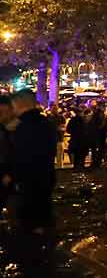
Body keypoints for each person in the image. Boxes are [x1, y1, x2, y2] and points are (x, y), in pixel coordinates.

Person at [5, 90, 57, 245]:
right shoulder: (46, 123)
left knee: (30, 220)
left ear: (18, 104)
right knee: (43, 213)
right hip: (46, 176)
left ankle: (35, 252)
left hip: (28, 180)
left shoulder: (23, 127)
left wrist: (12, 175)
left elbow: (22, 156)